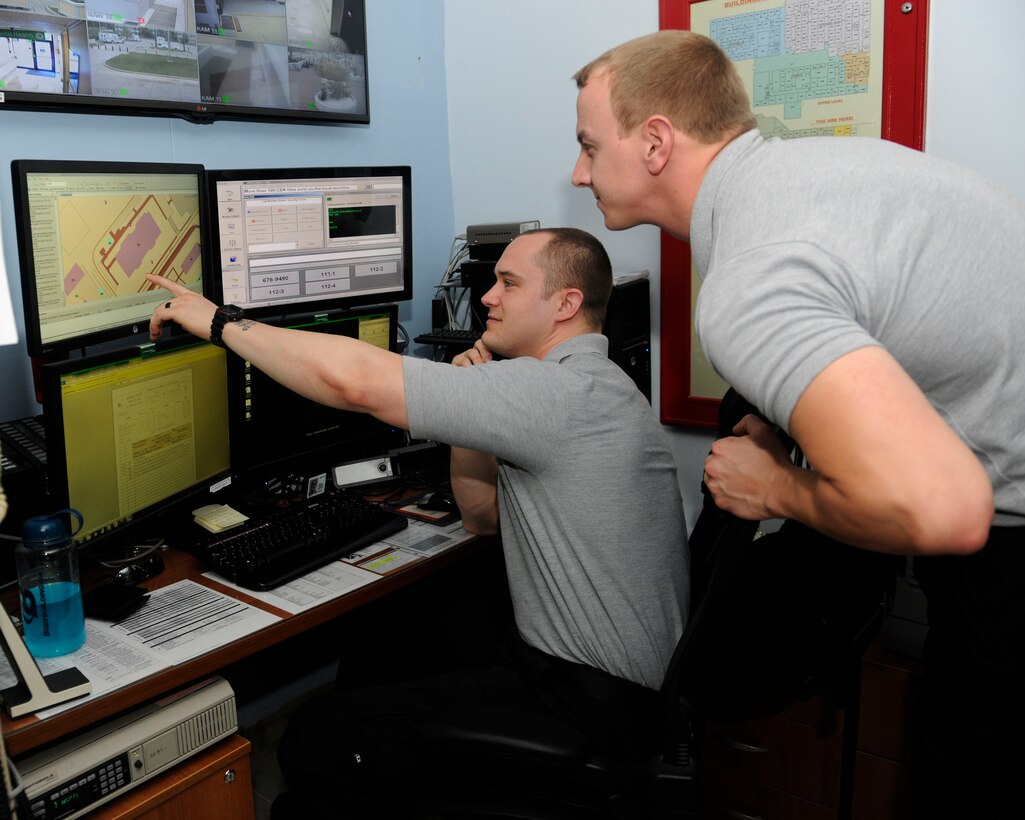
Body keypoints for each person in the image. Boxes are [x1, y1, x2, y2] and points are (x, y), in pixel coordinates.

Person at [571, 29, 1025, 820]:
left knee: (964, 782)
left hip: (1007, 538)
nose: (577, 173)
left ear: (653, 143)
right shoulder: (816, 172)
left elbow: (947, 514)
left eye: (585, 145)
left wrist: (780, 488)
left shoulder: (752, 273)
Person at [147, 227, 689, 818]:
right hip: (611, 682)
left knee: (317, 735)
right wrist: (471, 408)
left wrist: (222, 323)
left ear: (565, 304)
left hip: (586, 702)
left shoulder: (553, 393)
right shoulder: (597, 385)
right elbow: (482, 519)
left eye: (509, 283)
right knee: (390, 634)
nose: (487, 296)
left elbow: (352, 381)